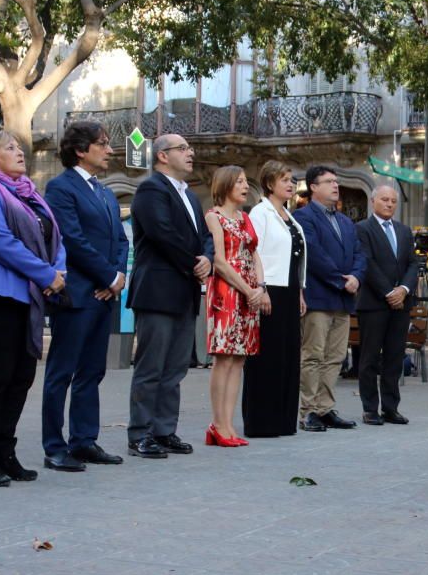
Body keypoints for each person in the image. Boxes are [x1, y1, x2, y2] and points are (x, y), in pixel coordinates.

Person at [0, 131, 67, 486]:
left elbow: (56, 239)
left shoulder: (31, 196)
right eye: (10, 148)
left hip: (27, 298)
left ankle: (6, 451)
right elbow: (1, 243)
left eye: (19, 147)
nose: (19, 152)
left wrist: (59, 270)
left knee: (21, 377)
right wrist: (46, 273)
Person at [41, 121, 129, 472]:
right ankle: (54, 446)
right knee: (61, 373)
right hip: (76, 295)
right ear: (81, 150)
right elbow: (73, 240)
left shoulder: (106, 193)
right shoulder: (60, 188)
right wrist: (107, 275)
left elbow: (120, 241)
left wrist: (118, 278)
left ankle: (84, 441)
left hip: (104, 296)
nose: (110, 150)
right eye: (103, 144)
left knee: (92, 371)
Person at [125, 134, 212, 459]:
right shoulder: (151, 189)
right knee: (152, 366)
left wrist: (207, 258)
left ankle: (164, 430)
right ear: (162, 156)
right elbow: (163, 233)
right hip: (158, 291)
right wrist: (195, 263)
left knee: (175, 367)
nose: (190, 153)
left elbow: (204, 236)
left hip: (185, 291)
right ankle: (140, 434)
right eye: (183, 149)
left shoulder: (189, 194)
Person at [292, 165, 366, 432]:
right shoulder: (303, 216)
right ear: (313, 187)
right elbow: (313, 254)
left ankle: (324, 408)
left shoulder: (346, 221)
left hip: (343, 300)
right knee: (313, 355)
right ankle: (307, 410)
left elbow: (359, 254)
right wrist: (341, 280)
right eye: (329, 182)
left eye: (336, 181)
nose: (335, 186)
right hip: (319, 297)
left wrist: (356, 277)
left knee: (335, 357)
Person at [204, 165, 267, 447]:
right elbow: (219, 260)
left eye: (245, 181)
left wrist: (260, 288)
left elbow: (255, 254)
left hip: (249, 292)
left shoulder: (244, 217)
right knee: (224, 357)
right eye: (239, 182)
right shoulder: (213, 217)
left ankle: (229, 425)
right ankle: (218, 424)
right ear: (226, 185)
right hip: (226, 292)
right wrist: (247, 289)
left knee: (239, 358)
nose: (245, 186)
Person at [244, 160, 306, 438]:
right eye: (284, 179)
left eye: (292, 179)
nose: (290, 184)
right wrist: (262, 287)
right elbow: (254, 253)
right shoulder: (261, 212)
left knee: (288, 357)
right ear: (270, 183)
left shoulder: (290, 216)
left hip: (291, 290)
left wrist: (301, 291)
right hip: (271, 291)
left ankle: (283, 420)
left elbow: (297, 258)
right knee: (267, 358)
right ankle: (261, 422)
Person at [355, 185, 418, 426]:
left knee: (395, 357)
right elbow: (367, 262)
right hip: (374, 303)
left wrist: (403, 289)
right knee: (370, 358)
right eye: (385, 199)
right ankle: (370, 408)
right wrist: (389, 291)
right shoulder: (362, 229)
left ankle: (391, 407)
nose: (390, 204)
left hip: (401, 304)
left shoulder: (403, 231)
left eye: (393, 200)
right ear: (373, 202)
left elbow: (413, 263)